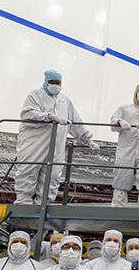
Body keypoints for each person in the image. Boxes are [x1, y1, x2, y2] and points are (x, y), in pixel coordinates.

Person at [14, 70, 99, 205]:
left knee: (53, 174)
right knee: (29, 170)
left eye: (58, 83)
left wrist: (87, 138)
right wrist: (49, 117)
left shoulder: (65, 101)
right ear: (46, 82)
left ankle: (44, 203)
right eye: (52, 82)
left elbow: (75, 121)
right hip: (34, 144)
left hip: (56, 147)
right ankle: (23, 202)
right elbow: (27, 114)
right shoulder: (35, 95)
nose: (55, 85)